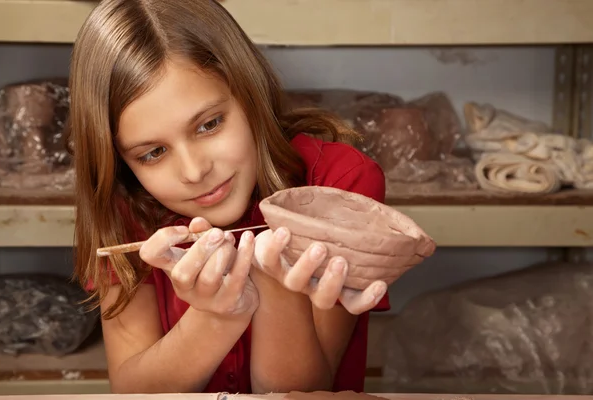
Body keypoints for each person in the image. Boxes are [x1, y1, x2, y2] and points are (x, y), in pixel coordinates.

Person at [69, 0, 433, 395]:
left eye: (209, 124)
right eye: (153, 153)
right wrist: (218, 315)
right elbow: (133, 391)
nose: (194, 172)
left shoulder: (338, 182)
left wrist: (272, 278)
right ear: (121, 162)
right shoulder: (124, 205)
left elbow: (305, 390)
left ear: (249, 91)